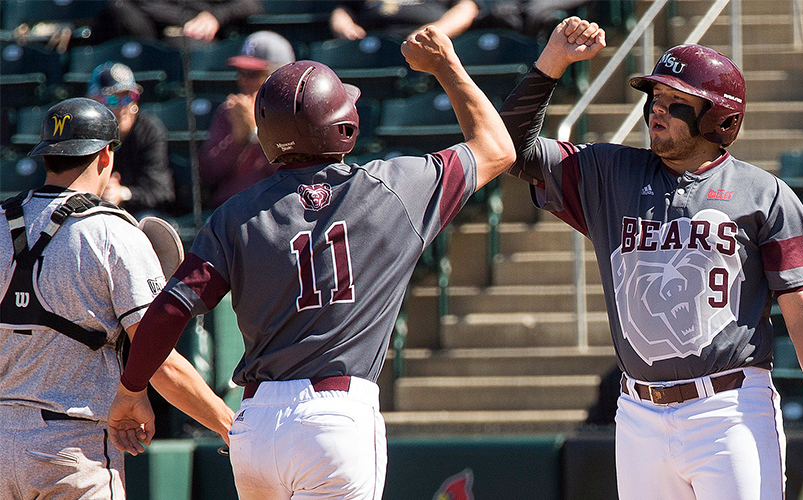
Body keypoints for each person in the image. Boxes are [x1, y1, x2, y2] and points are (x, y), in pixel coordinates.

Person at [107, 26, 515, 499]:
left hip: (256, 426)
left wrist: (132, 389)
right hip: (335, 421)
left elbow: (169, 310)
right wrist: (445, 65)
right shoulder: (393, 187)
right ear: (345, 125)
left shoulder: (236, 214)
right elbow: (497, 148)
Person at [498, 17, 803, 500]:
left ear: (721, 120)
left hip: (729, 410)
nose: (658, 108)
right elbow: (508, 149)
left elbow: (802, 314)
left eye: (677, 102)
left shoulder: (765, 194)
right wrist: (552, 63)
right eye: (655, 97)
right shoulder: (609, 174)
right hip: (638, 414)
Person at [0, 98, 233, 499]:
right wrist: (231, 426)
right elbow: (159, 359)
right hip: (72, 448)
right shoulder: (112, 230)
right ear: (106, 155)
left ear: (47, 156)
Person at [199, 31, 296, 209]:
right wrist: (238, 141)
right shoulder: (229, 111)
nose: (243, 81)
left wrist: (255, 133)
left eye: (252, 74)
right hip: (228, 209)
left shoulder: (293, 112)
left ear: (281, 75)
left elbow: (293, 171)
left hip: (276, 208)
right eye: (240, 72)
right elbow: (207, 173)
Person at [87, 62, 175, 216]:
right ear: (95, 101)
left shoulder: (149, 130)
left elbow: (161, 190)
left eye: (128, 98)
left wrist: (123, 193)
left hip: (135, 213)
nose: (123, 107)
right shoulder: (85, 131)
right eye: (113, 100)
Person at [91, 0, 263, 43]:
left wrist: (216, 16)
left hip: (195, 35)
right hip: (150, 34)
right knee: (117, 10)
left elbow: (252, 5)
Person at [330, 0, 480, 40]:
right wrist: (345, 26)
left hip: (424, 43)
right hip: (372, 43)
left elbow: (466, 8)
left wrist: (432, 32)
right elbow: (343, 9)